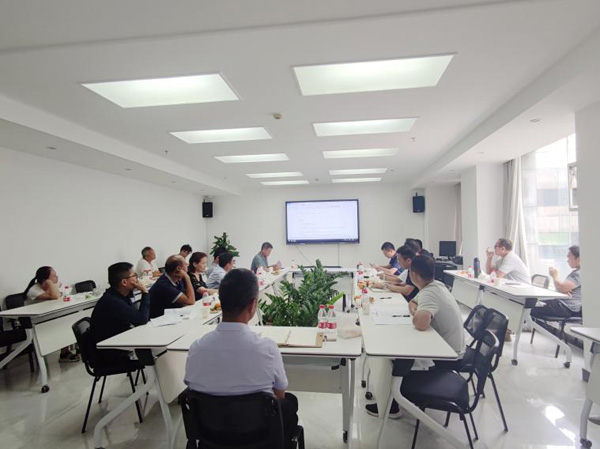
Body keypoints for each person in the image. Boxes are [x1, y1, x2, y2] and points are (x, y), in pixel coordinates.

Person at [184, 268, 299, 448]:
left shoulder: (197, 348)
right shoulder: (267, 348)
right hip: (259, 437)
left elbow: (191, 388)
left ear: (221, 301)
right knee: (289, 403)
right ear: (253, 305)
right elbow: (279, 394)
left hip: (211, 437)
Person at [365, 255, 465, 418]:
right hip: (447, 347)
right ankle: (391, 399)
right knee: (399, 347)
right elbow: (413, 302)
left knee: (395, 353)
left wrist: (417, 314)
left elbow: (420, 323)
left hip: (448, 356)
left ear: (414, 274)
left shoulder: (429, 293)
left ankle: (393, 404)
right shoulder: (435, 285)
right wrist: (415, 309)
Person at [90, 262, 150, 363]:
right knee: (154, 353)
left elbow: (137, 317)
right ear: (124, 282)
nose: (137, 279)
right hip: (111, 353)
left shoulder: (120, 295)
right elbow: (141, 320)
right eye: (134, 275)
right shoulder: (113, 301)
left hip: (120, 341)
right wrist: (145, 291)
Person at [23, 266, 79, 363]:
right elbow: (56, 296)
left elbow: (62, 295)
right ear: (44, 279)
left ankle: (73, 349)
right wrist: (49, 283)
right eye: (54, 276)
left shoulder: (55, 284)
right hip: (35, 321)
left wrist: (52, 284)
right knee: (62, 323)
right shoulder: (33, 290)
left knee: (69, 318)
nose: (57, 277)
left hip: (49, 316)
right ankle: (64, 353)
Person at [531, 245, 582, 319]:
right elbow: (562, 289)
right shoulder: (578, 272)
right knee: (532, 304)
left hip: (566, 307)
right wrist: (563, 290)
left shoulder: (579, 273)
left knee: (529, 306)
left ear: (578, 259)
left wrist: (554, 275)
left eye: (569, 257)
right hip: (563, 304)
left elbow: (560, 288)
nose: (567, 260)